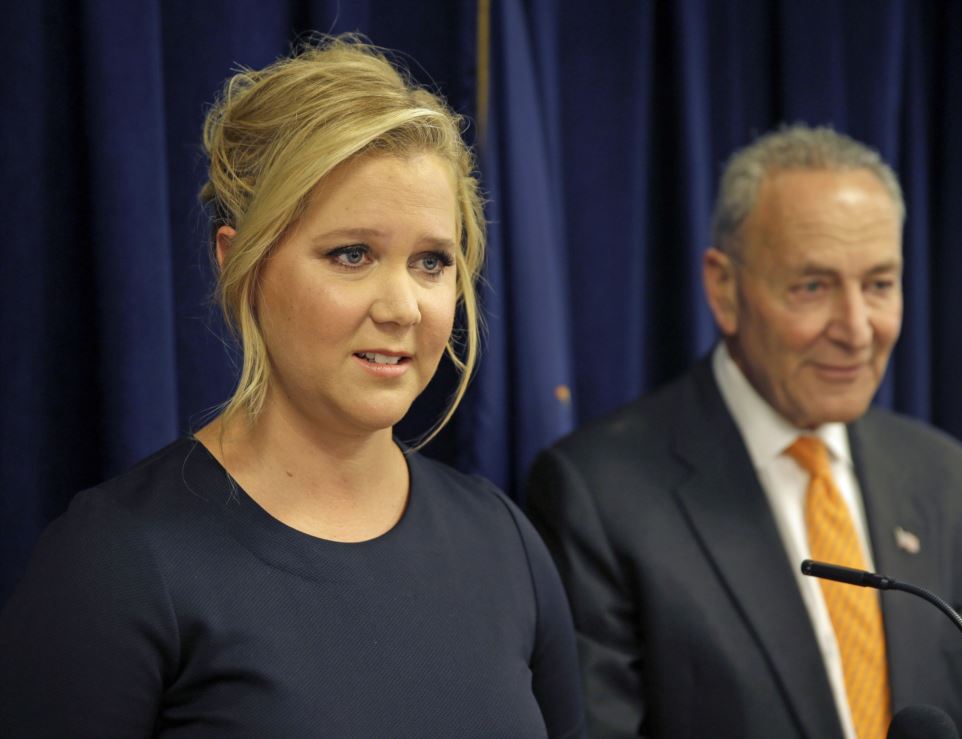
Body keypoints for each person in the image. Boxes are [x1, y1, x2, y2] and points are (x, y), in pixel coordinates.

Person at [0, 35, 584, 738]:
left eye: (432, 262)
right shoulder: (115, 564)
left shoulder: (505, 544)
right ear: (239, 262)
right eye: (352, 254)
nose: (402, 306)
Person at [526, 125, 962, 738]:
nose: (857, 329)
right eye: (812, 287)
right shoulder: (597, 497)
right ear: (724, 289)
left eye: (879, 285)